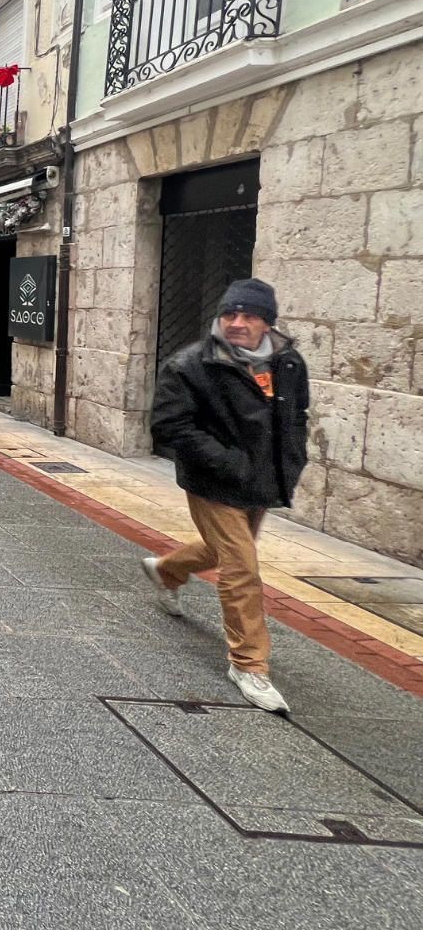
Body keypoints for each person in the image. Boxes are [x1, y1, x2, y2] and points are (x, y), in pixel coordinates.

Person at [145, 277, 309, 714]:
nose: (237, 322)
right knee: (242, 566)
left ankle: (166, 570)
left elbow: (297, 415)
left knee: (226, 550)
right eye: (229, 314)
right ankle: (249, 664)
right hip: (214, 481)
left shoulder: (288, 362)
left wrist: (292, 459)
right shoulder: (191, 365)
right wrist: (227, 462)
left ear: (267, 322)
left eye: (249, 315)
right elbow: (170, 425)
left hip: (262, 480)